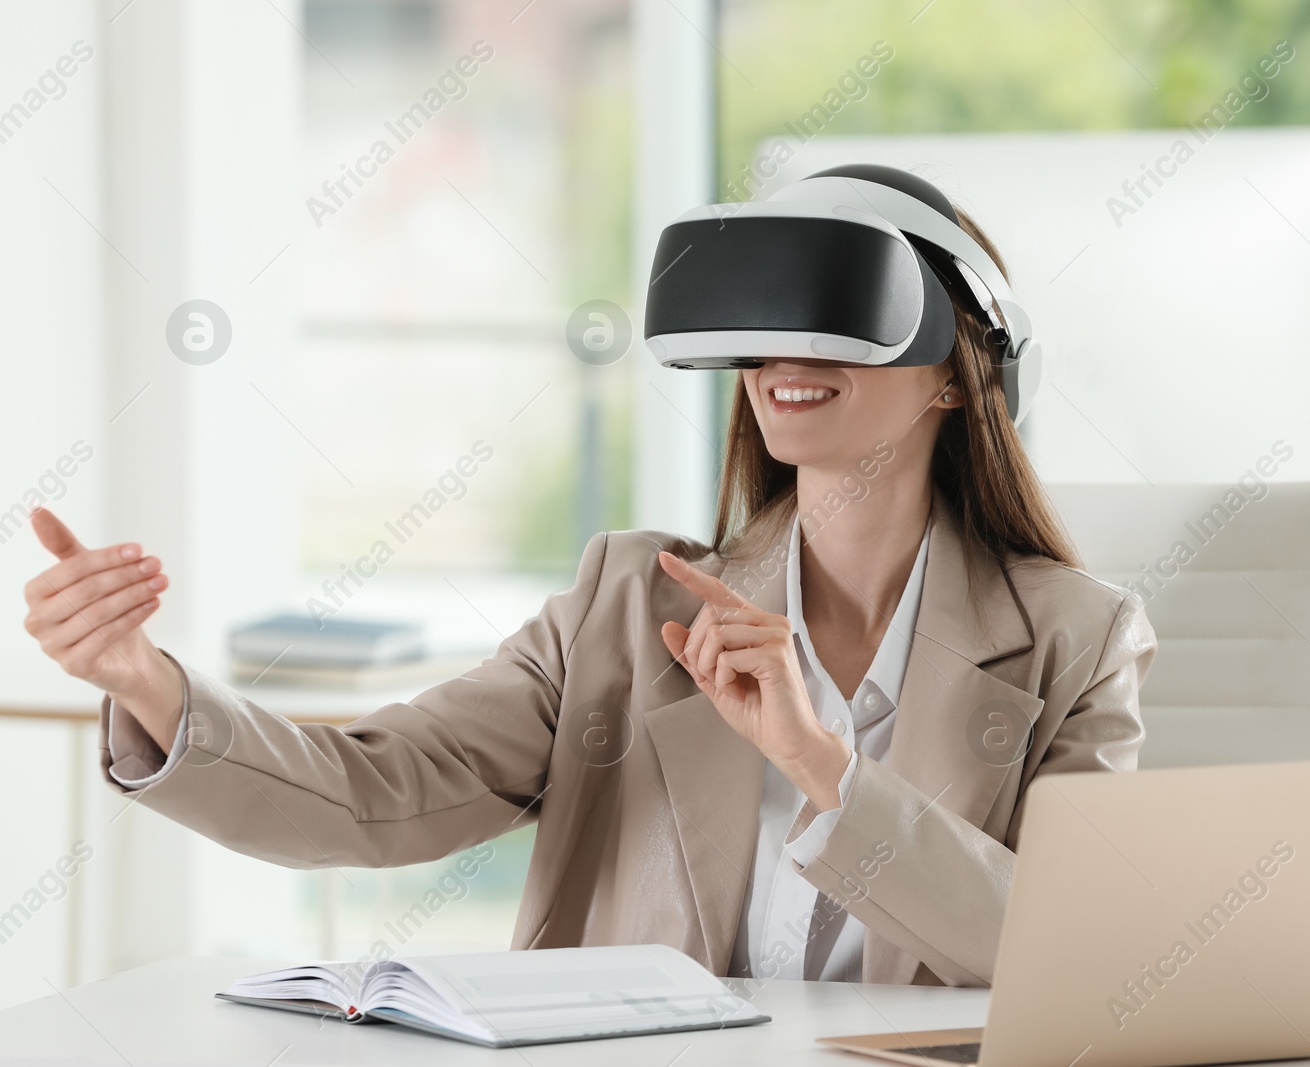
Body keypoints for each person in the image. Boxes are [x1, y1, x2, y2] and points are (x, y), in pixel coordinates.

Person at [21, 193, 1155, 990]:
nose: (783, 357)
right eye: (759, 327)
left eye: (833, 317)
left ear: (963, 375)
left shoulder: (1075, 636)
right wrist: (148, 683)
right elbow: (379, 788)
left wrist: (823, 766)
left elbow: (1066, 947)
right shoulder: (628, 603)